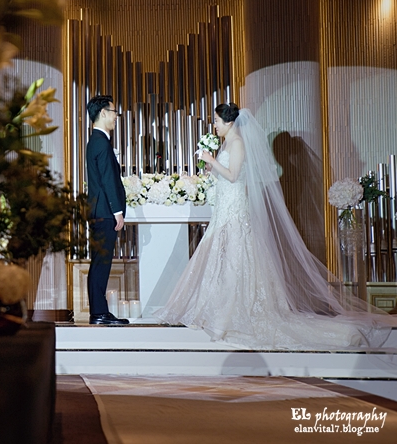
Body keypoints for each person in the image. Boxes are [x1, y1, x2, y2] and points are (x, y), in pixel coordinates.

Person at [157, 103, 395, 349]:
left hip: (235, 208)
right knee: (223, 257)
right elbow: (224, 175)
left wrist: (211, 160)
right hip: (224, 208)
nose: (214, 125)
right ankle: (219, 307)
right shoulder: (227, 144)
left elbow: (234, 175)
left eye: (217, 121)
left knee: (237, 257)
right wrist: (211, 167)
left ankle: (236, 311)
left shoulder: (237, 143)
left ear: (229, 122)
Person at [86, 95, 129, 326]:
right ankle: (99, 313)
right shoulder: (101, 142)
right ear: (103, 113)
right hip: (104, 212)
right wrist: (117, 211)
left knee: (99, 262)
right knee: (101, 263)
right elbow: (108, 180)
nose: (116, 117)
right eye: (114, 112)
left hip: (99, 211)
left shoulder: (95, 140)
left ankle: (99, 311)